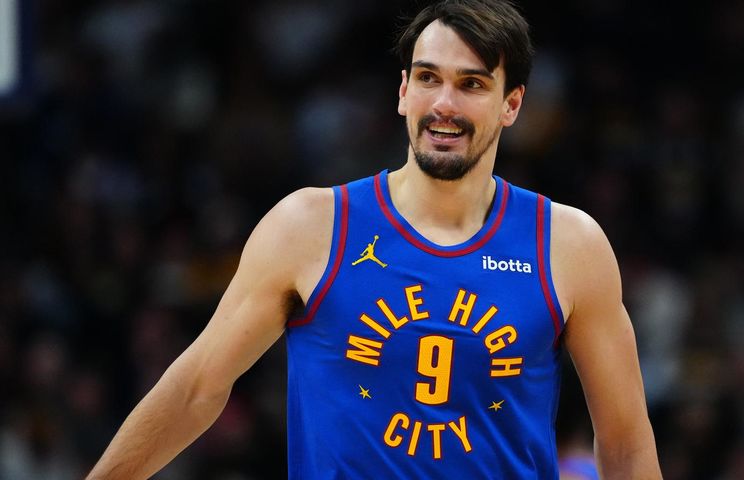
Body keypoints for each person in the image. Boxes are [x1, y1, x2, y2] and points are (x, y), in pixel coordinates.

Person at [87, 0, 662, 478]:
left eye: (471, 84)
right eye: (429, 78)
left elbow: (626, 445)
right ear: (403, 91)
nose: (443, 104)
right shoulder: (310, 225)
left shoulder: (569, 244)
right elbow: (195, 389)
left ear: (511, 104)